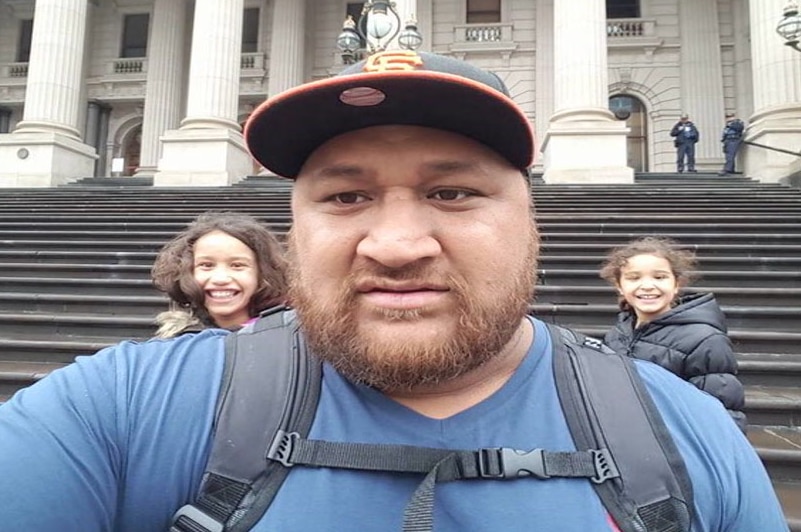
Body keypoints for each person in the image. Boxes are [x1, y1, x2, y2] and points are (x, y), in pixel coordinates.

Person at [0, 51, 787, 531]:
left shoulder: (684, 434)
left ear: (531, 220)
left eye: (453, 193)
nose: (396, 244)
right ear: (292, 229)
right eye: (344, 198)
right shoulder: (120, 408)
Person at [599, 236, 747, 432]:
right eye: (634, 278)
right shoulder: (618, 333)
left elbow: (722, 411)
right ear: (619, 286)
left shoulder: (704, 339)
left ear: (677, 284)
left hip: (676, 442)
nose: (647, 285)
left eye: (659, 277)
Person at [151, 210, 288, 338]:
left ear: (263, 273)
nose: (220, 279)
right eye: (206, 265)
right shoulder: (175, 343)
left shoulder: (287, 338)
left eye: (237, 265)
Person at [718, 111, 745, 175]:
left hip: (733, 140)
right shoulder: (727, 125)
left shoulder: (737, 123)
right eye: (727, 117)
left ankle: (727, 169)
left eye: (730, 116)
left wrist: (731, 124)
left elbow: (739, 128)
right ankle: (731, 169)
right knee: (728, 155)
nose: (729, 118)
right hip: (727, 140)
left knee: (730, 155)